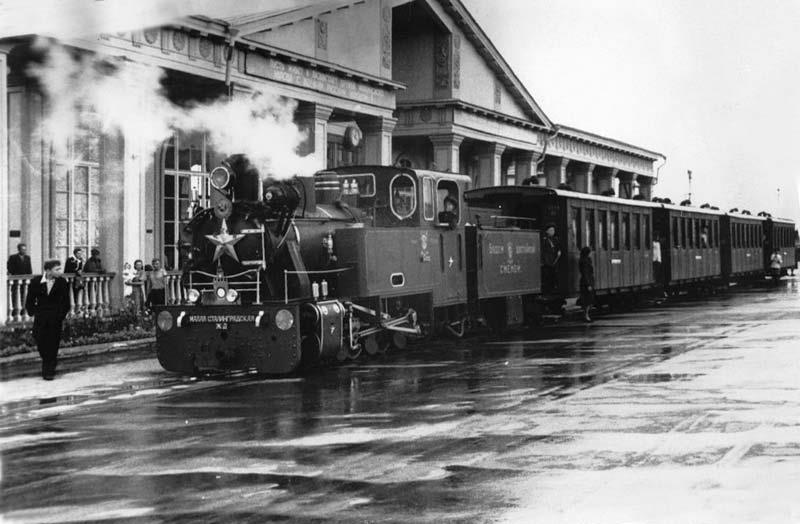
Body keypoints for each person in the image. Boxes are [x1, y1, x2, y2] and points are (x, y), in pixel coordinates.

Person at [24, 260, 71, 380]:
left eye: (60, 269)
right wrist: (33, 312)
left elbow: (66, 302)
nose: (60, 271)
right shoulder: (36, 281)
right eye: (57, 269)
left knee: (53, 343)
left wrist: (60, 316)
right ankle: (49, 362)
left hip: (55, 318)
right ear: (48, 271)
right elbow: (30, 300)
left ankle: (49, 370)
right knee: (40, 341)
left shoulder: (62, 282)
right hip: (41, 318)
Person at [541, 222, 561, 294]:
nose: (553, 232)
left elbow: (557, 248)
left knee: (554, 276)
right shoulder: (544, 240)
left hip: (554, 261)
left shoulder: (555, 240)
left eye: (553, 230)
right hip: (547, 262)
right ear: (547, 231)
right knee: (547, 277)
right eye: (551, 230)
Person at [578, 246, 595, 322]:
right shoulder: (584, 261)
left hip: (587, 281)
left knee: (588, 299)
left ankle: (586, 315)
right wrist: (588, 284)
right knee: (587, 300)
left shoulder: (585, 260)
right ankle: (586, 316)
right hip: (586, 282)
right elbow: (585, 273)